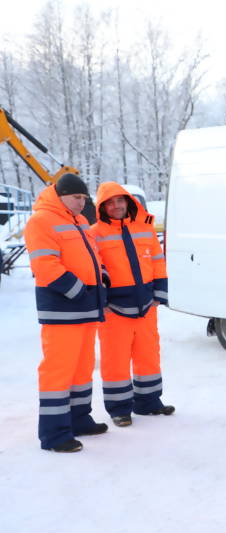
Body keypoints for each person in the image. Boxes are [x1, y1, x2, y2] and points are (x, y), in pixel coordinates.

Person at [24, 173, 108, 452]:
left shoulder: (81, 221)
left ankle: (79, 420)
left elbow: (93, 257)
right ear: (60, 196)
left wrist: (103, 278)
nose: (82, 202)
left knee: (82, 369)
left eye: (84, 197)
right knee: (59, 371)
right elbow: (45, 266)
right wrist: (79, 291)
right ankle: (55, 434)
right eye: (76, 197)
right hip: (63, 310)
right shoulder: (41, 221)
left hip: (86, 309)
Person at [91, 181, 174, 427]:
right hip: (114, 310)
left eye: (120, 200)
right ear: (102, 207)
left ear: (128, 202)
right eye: (110, 203)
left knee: (148, 355)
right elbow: (94, 271)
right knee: (115, 360)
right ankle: (119, 409)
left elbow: (157, 261)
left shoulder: (145, 229)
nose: (116, 206)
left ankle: (149, 402)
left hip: (146, 305)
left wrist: (160, 293)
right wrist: (102, 301)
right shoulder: (94, 233)